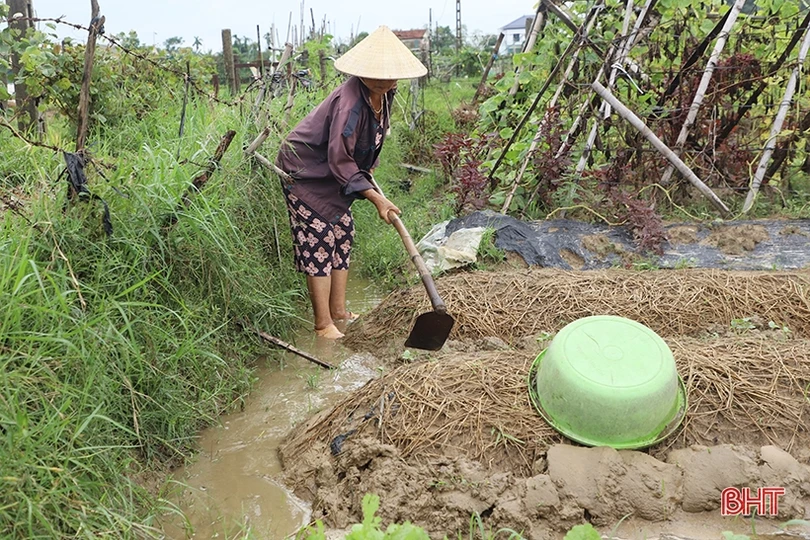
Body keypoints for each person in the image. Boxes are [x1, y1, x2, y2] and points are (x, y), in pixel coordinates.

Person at [276, 26, 428, 339]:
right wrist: (376, 199)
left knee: (343, 232)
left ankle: (339, 312)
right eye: (376, 74)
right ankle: (323, 326)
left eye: (389, 75)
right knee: (320, 237)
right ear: (362, 71)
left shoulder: (384, 95)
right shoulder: (349, 104)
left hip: (333, 171)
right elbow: (340, 159)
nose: (384, 80)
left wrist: (368, 177)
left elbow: (365, 145)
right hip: (305, 171)